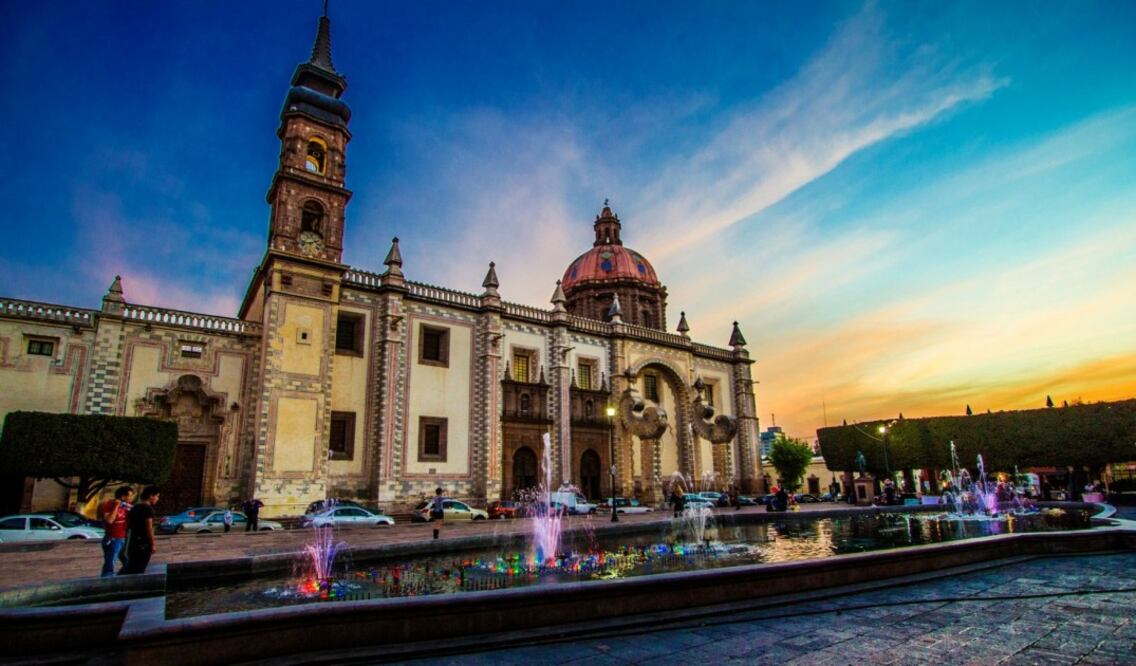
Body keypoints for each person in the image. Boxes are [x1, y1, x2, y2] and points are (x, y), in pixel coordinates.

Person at [120, 486, 160, 575]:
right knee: (140, 567)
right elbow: (149, 528)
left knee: (132, 566)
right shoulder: (148, 509)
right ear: (150, 496)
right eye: (156, 496)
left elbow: (128, 524)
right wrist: (153, 544)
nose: (157, 499)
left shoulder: (135, 507)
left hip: (133, 540)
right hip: (144, 542)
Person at [98, 486, 134, 577]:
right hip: (113, 538)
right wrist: (116, 507)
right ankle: (106, 582)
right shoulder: (108, 505)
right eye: (129, 496)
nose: (131, 498)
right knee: (110, 564)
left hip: (122, 537)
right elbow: (109, 520)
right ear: (123, 496)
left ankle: (119, 578)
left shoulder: (126, 506)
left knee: (128, 562)